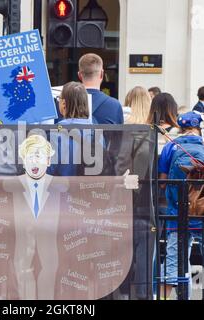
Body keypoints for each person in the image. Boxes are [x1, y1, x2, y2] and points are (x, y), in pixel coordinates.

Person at [3, 134, 68, 299]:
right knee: (24, 272)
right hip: (23, 244)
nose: (34, 161)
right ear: (23, 161)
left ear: (48, 161)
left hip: (49, 244)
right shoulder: (12, 184)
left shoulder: (59, 184)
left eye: (38, 156)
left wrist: (123, 183)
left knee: (49, 270)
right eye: (30, 156)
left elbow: (87, 188)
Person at [159, 111, 204, 299]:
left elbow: (162, 182)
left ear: (180, 127)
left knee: (173, 261)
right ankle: (197, 292)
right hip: (202, 214)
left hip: (177, 213)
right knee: (198, 261)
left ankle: (166, 297)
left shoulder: (170, 146)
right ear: (198, 128)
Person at [115, 86, 155, 300]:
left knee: (123, 251)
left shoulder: (127, 130)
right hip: (150, 203)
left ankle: (123, 292)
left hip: (127, 199)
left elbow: (122, 164)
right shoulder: (154, 130)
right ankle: (142, 294)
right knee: (145, 254)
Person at [78, 53, 123, 124]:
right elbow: (119, 134)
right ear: (102, 74)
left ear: (79, 75)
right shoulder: (114, 105)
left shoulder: (65, 105)